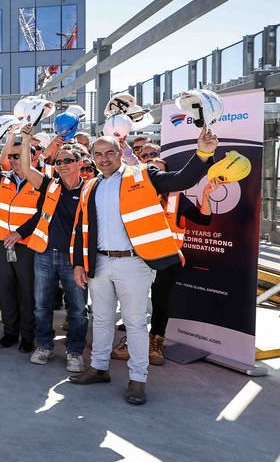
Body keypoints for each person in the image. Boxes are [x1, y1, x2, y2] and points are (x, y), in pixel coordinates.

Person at [68, 131, 217, 405]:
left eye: (110, 152)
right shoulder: (90, 186)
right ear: (92, 157)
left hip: (134, 263)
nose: (104, 159)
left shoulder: (142, 175)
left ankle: (138, 379)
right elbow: (81, 229)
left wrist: (203, 154)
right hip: (99, 263)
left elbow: (181, 179)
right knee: (100, 319)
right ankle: (99, 368)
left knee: (135, 323)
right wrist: (79, 263)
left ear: (120, 152)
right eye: (98, 154)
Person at [112, 158, 214, 366]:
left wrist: (206, 196)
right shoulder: (130, 195)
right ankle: (133, 343)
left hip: (167, 260)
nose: (153, 176)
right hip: (135, 257)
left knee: (160, 302)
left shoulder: (177, 199)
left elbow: (203, 220)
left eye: (158, 173)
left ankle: (155, 341)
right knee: (135, 303)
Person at [16, 125, 87, 373]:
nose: (62, 164)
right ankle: (44, 345)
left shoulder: (90, 189)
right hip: (45, 254)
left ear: (80, 163)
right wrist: (25, 142)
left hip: (74, 258)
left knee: (77, 308)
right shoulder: (50, 185)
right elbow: (26, 169)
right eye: (59, 161)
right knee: (42, 304)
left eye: (68, 160)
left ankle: (75, 351)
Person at [0, 132, 43, 353]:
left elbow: (42, 214)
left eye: (20, 156)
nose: (15, 160)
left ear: (32, 158)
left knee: (26, 291)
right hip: (0, 243)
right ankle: (10, 332)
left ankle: (27, 336)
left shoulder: (41, 182)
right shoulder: (5, 179)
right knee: (5, 289)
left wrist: (20, 233)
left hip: (25, 245)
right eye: (13, 157)